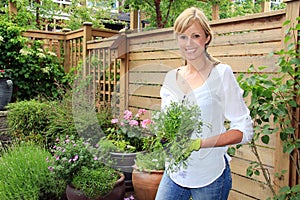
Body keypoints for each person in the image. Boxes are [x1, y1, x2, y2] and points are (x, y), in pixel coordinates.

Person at [155, 7, 254, 200]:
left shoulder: (221, 74)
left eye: (196, 35)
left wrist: (199, 143)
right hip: (175, 172)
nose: (189, 43)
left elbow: (244, 130)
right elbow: (166, 126)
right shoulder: (171, 78)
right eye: (183, 36)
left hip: (209, 176)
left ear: (207, 38)